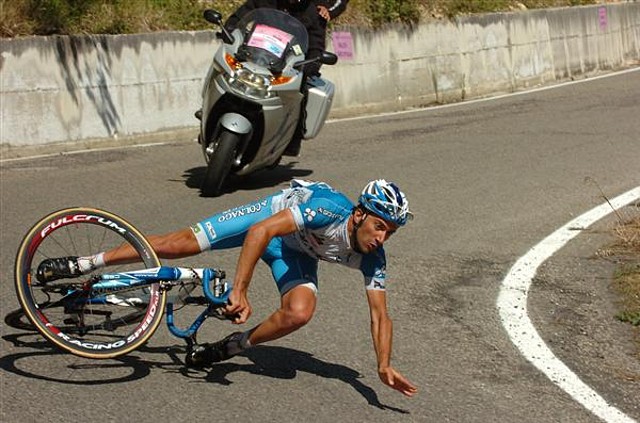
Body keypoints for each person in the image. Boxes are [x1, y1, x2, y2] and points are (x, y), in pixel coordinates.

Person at [36, 179, 418, 397]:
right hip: (268, 223)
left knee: (300, 312)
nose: (382, 237)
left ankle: (226, 348)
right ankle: (85, 263)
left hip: (294, 253)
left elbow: (380, 315)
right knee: (178, 244)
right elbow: (260, 231)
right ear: (359, 215)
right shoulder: (329, 209)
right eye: (380, 226)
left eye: (391, 232)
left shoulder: (373, 258)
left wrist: (382, 365)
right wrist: (241, 289)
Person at [224, 0, 326, 157]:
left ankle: (293, 138)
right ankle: (209, 108)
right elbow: (241, 15)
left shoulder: (312, 13)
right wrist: (229, 29)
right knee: (223, 65)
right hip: (251, 55)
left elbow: (316, 46)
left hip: (285, 66)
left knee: (301, 90)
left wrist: (312, 64)